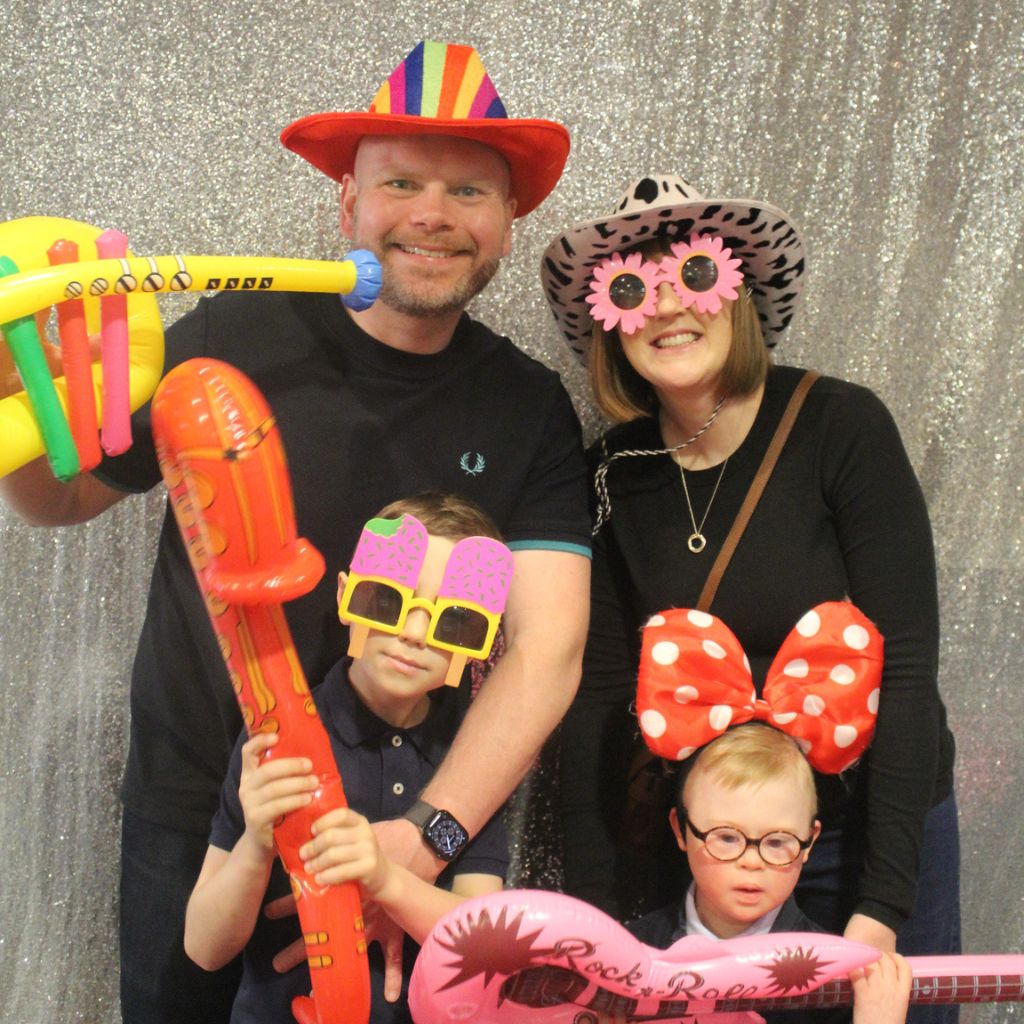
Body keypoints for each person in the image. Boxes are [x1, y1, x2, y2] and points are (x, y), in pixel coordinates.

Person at [0, 41, 591, 1024]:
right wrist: (19, 402)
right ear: (347, 205)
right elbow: (61, 501)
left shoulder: (527, 407)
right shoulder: (232, 335)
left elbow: (548, 646)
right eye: (399, 181)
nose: (432, 213)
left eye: (468, 192)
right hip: (198, 813)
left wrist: (425, 838)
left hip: (399, 824)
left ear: (506, 227)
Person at [540, 174, 958, 1023]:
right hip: (706, 847)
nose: (666, 309)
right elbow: (596, 697)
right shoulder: (613, 471)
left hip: (863, 828)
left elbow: (908, 669)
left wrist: (880, 909)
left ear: (739, 292)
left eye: (692, 276)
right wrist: (593, 925)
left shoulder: (841, 426)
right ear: (608, 323)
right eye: (633, 288)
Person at [185, 493, 510, 1022]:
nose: (412, 633)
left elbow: (485, 947)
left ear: (482, 640)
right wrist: (256, 843)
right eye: (387, 600)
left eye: (453, 623)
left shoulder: (470, 761)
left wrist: (389, 881)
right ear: (346, 594)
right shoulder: (277, 734)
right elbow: (204, 945)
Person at [627, 722, 912, 1024]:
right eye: (725, 837)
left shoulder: (838, 977)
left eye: (777, 842)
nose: (752, 862)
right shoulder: (631, 953)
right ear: (681, 831)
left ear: (809, 842)